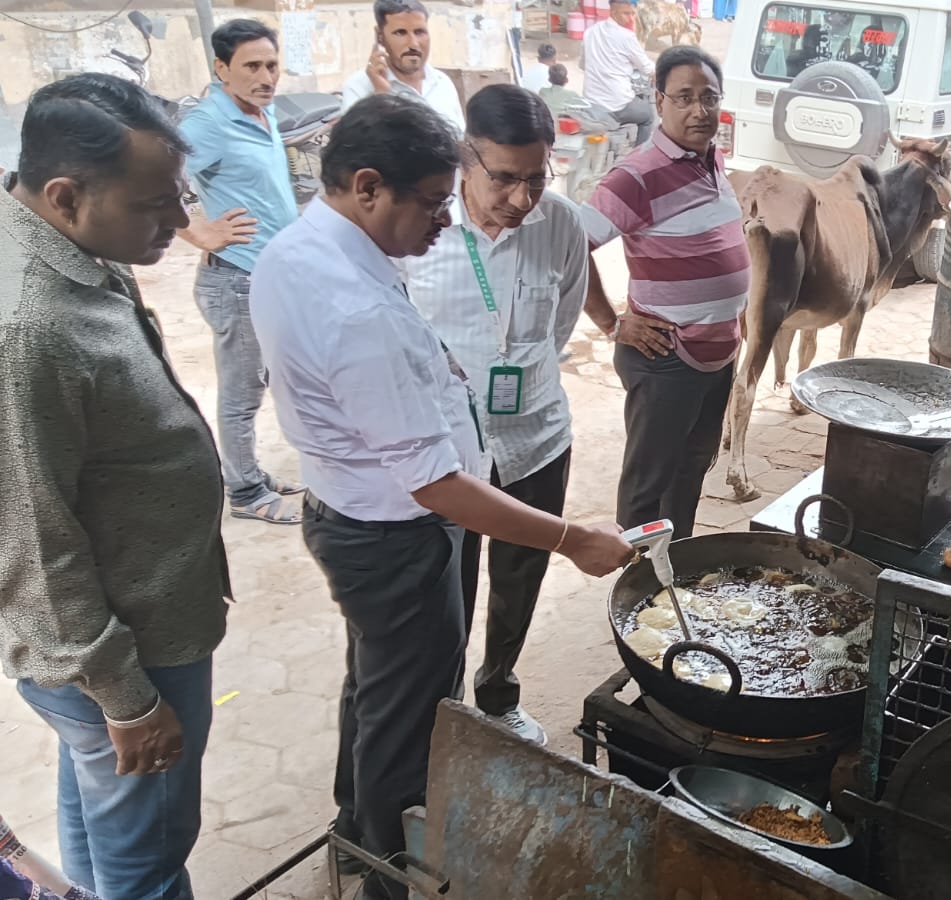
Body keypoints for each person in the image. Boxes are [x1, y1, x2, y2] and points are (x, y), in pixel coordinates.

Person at [250, 95, 631, 899]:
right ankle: (392, 877)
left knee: (377, 692)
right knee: (415, 719)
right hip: (396, 538)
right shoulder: (354, 307)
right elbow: (439, 486)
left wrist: (436, 371)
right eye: (430, 202)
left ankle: (355, 835)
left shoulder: (302, 250)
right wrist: (572, 538)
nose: (441, 219)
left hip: (351, 516)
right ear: (365, 187)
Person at [0, 73, 230, 900]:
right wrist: (127, 698)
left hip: (120, 642)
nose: (178, 222)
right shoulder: (27, 328)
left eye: (180, 196)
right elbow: (31, 542)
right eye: (152, 205)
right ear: (65, 195)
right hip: (125, 649)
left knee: (106, 826)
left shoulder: (64, 250)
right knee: (147, 864)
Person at [401, 85, 587, 745]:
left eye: (536, 178)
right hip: (446, 455)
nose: (520, 198)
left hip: (535, 438)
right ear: (464, 158)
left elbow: (559, 324)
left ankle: (498, 692)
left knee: (519, 580)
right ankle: (441, 710)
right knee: (445, 595)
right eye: (504, 179)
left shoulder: (562, 225)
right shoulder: (417, 229)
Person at [580, 45, 749, 533]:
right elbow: (571, 244)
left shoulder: (710, 162)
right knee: (648, 488)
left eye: (709, 97)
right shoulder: (637, 175)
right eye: (684, 97)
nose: (699, 110)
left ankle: (672, 581)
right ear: (659, 101)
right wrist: (612, 322)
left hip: (715, 358)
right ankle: (638, 593)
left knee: (690, 469)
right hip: (666, 358)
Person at [177, 19, 305, 524]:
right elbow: (151, 181)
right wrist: (198, 232)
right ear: (221, 69)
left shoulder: (259, 113)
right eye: (252, 66)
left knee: (273, 378)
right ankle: (246, 492)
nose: (265, 76)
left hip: (269, 278)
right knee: (242, 390)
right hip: (236, 279)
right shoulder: (206, 124)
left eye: (272, 65)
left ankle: (248, 470)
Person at [341, 0, 465, 134]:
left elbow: (460, 141)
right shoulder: (359, 87)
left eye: (419, 32)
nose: (413, 44)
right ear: (380, 36)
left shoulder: (442, 83)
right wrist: (381, 96)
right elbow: (357, 149)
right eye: (400, 33)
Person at [583, 0, 656, 146]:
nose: (630, 18)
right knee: (648, 116)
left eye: (632, 14)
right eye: (626, 13)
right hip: (616, 104)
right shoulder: (627, 37)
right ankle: (640, 160)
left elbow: (582, 64)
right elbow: (648, 68)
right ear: (613, 13)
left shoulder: (590, 32)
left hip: (590, 101)